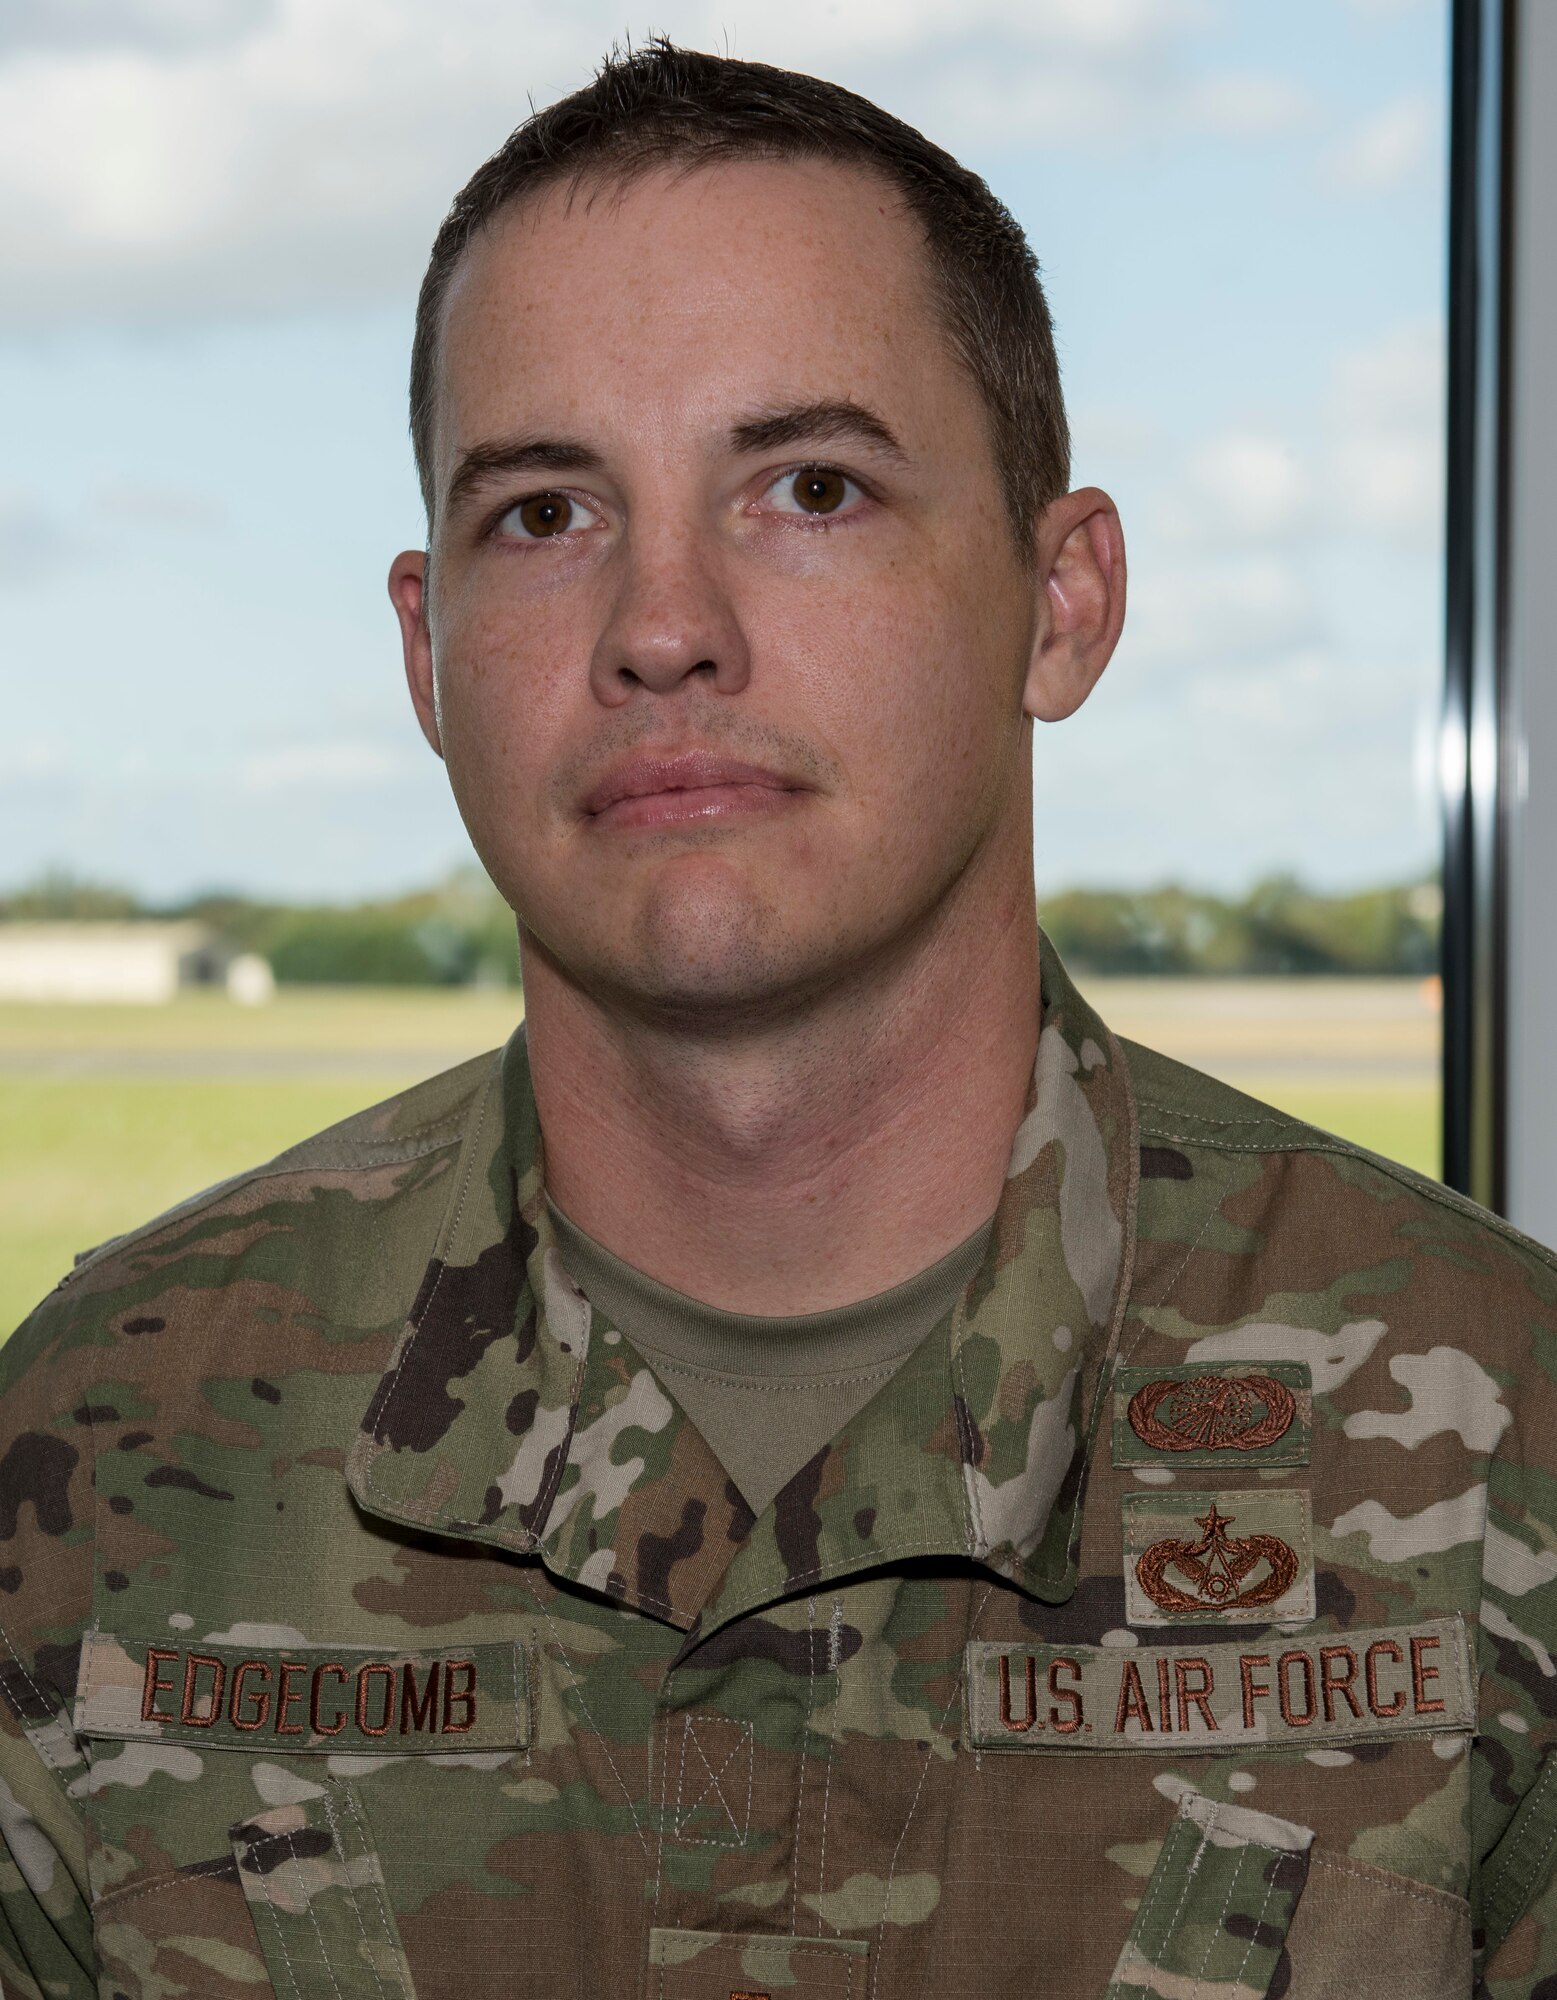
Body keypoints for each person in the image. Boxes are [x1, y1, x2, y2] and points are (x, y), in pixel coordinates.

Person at [1, 38, 1554, 2000]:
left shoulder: (1501, 1437)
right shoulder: (102, 1452)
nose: (662, 621)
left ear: (1056, 600)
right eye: (546, 514)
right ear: (423, 651)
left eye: (807, 487)